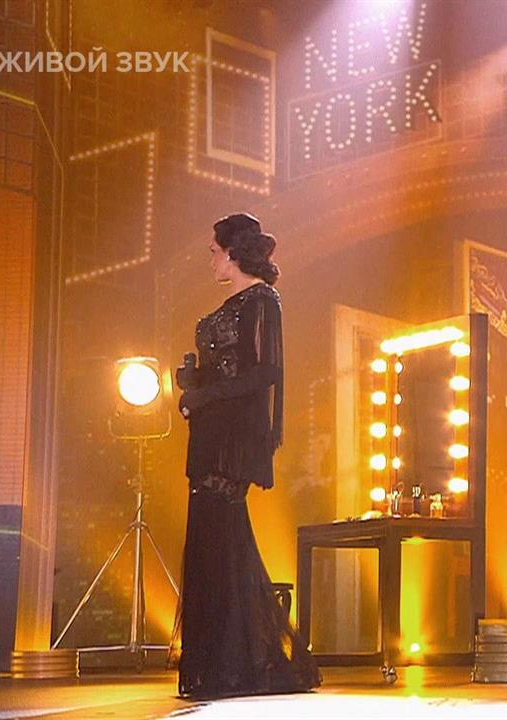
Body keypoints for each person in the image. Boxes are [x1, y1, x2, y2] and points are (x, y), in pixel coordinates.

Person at [169, 212, 321, 699]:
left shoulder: (262, 300)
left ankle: (236, 665)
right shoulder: (233, 304)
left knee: (221, 540)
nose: (211, 260)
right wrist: (194, 382)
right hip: (212, 432)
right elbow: (230, 372)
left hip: (233, 436)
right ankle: (227, 664)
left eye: (214, 251)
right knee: (213, 540)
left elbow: (264, 372)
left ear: (233, 253)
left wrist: (205, 395)